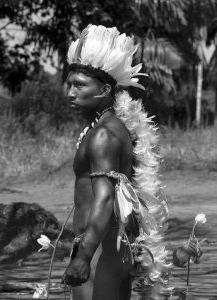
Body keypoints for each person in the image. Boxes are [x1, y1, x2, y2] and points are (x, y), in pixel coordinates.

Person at [61, 25, 170, 300]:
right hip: (116, 248)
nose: (70, 93)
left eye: (80, 85)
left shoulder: (102, 136)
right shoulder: (115, 126)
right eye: (70, 84)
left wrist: (84, 256)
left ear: (105, 89)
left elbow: (106, 198)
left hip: (101, 249)